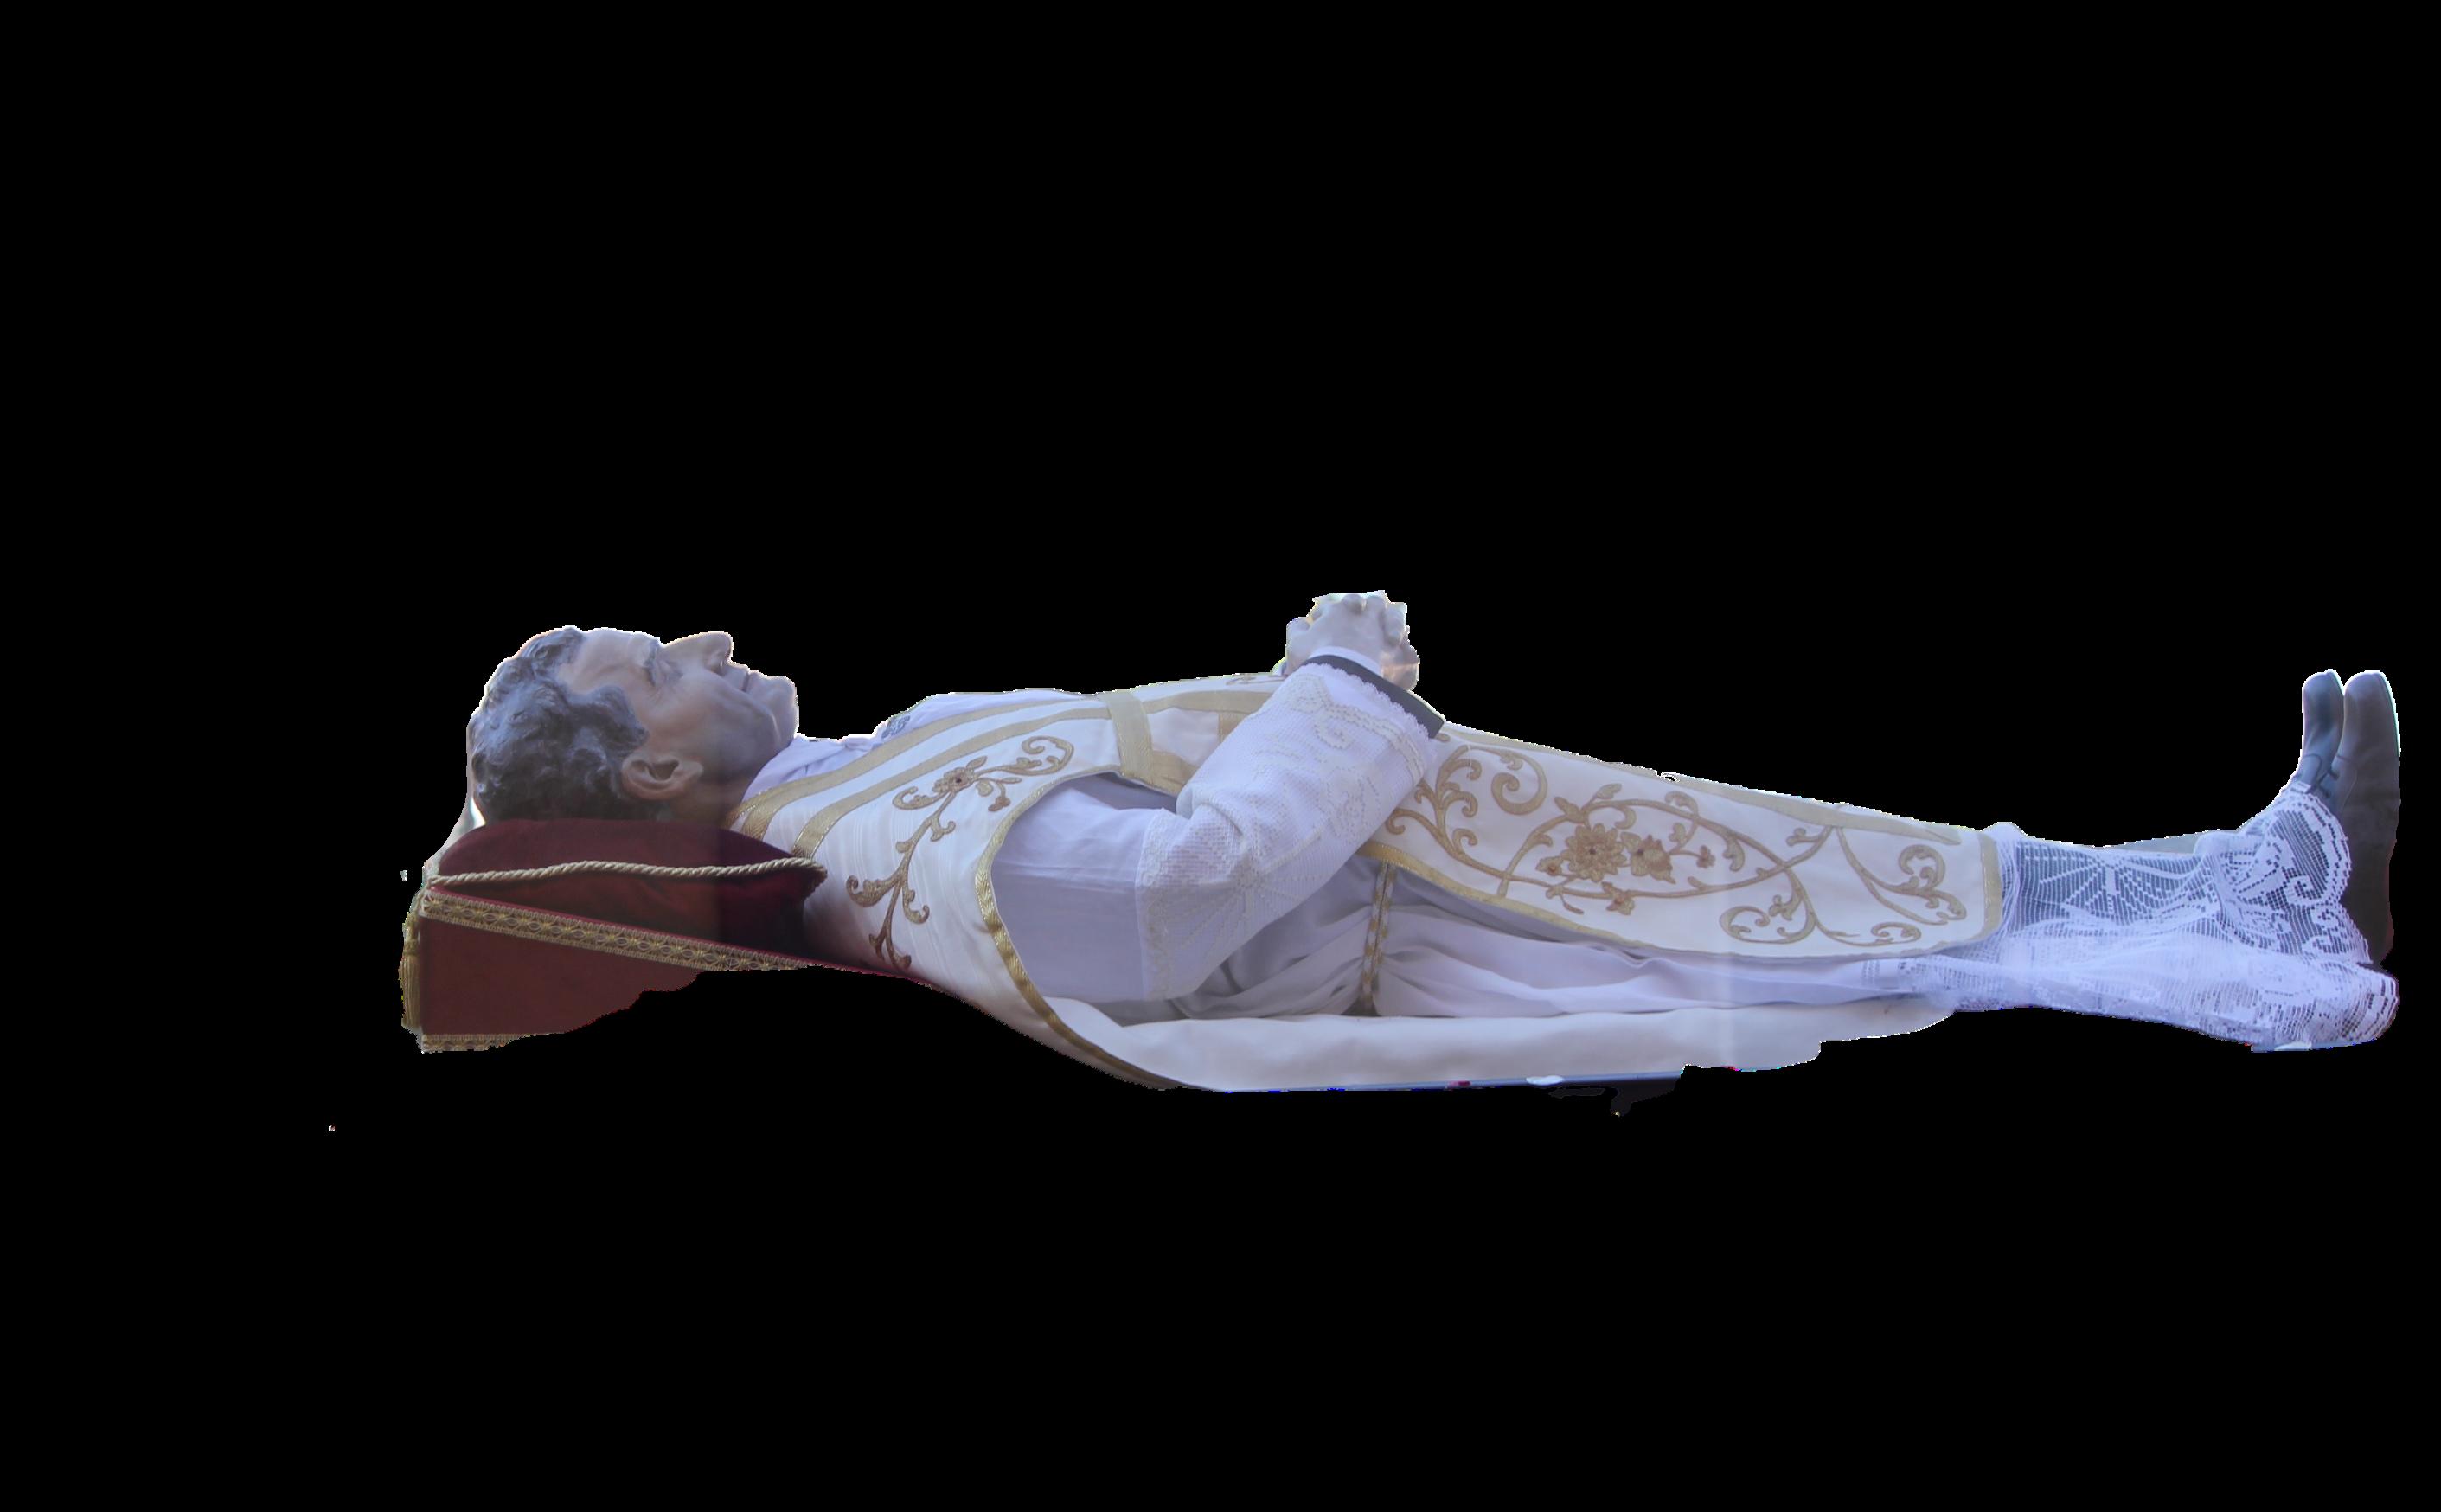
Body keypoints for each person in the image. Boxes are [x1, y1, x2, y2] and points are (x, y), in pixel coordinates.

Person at [436, 597, 2399, 1089]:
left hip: (1436, 846)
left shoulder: (875, 765)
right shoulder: (883, 848)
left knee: (1867, 861)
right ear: (652, 782)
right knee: (1873, 932)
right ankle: (2264, 932)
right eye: (659, 671)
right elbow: (1168, 903)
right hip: (1436, 925)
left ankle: (2242, 877)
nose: (707, 646)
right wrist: (1341, 679)